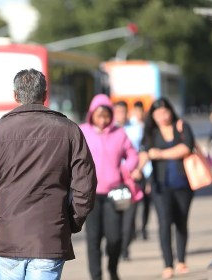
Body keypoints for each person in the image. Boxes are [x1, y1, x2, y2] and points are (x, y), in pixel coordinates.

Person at [0, 68, 97, 280]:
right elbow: (86, 185)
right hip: (49, 236)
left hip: (9, 236)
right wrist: (72, 221)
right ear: (45, 95)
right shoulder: (69, 130)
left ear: (16, 96)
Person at [132, 97, 194, 279]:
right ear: (153, 115)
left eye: (165, 112)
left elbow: (187, 148)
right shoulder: (150, 131)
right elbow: (144, 153)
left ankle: (181, 260)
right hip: (160, 186)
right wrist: (138, 170)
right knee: (164, 223)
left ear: (171, 111)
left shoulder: (181, 126)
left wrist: (160, 154)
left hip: (183, 184)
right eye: (158, 114)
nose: (162, 117)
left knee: (181, 222)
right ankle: (168, 264)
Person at [80, 94, 139, 280]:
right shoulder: (82, 132)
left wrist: (125, 168)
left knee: (115, 238)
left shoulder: (119, 133)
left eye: (106, 115)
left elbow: (133, 155)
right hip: (91, 194)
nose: (103, 120)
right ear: (91, 115)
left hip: (114, 192)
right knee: (93, 239)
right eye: (99, 115)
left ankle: (113, 268)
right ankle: (96, 276)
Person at [112, 100, 145, 261]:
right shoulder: (108, 131)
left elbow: (143, 152)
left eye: (122, 111)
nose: (120, 115)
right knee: (115, 217)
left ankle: (124, 248)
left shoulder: (137, 129)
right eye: (117, 111)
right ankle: (115, 246)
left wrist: (140, 170)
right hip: (114, 181)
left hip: (132, 179)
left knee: (129, 217)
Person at [131, 101, 153, 241]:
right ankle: (131, 229)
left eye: (141, 112)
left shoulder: (148, 127)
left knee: (146, 201)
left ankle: (144, 227)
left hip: (147, 170)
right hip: (133, 170)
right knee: (133, 202)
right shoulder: (129, 127)